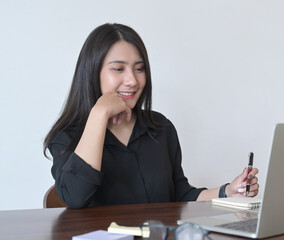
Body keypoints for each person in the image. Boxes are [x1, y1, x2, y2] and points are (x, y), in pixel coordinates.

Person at [43, 23, 259, 209]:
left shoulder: (161, 128)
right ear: (92, 73)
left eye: (139, 69)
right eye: (118, 69)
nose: (133, 80)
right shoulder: (66, 136)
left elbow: (180, 196)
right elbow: (75, 197)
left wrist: (228, 192)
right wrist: (99, 114)